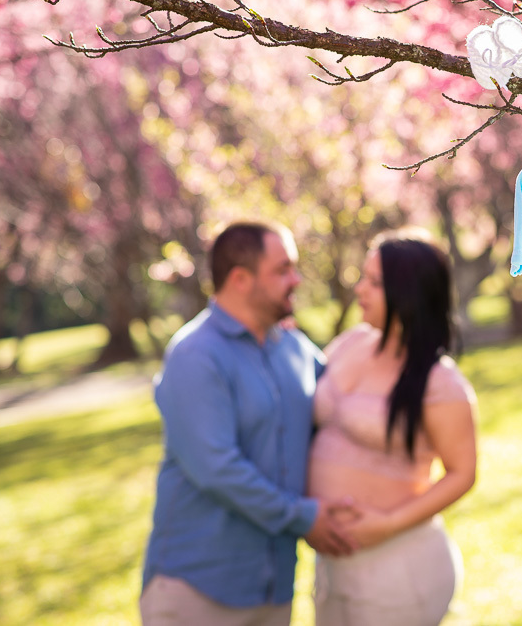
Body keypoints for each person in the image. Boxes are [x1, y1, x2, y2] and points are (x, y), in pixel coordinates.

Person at [140, 222, 359, 626]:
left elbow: (343, 400)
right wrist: (304, 517)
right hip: (197, 591)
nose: (296, 280)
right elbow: (216, 468)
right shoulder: (195, 355)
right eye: (282, 270)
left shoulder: (293, 348)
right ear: (240, 279)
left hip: (274, 587)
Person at [308, 228, 478, 626]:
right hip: (332, 567)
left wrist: (385, 526)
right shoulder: (351, 343)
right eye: (362, 277)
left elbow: (463, 474)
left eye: (374, 282)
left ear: (409, 293)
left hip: (398, 566)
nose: (359, 289)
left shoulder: (441, 383)